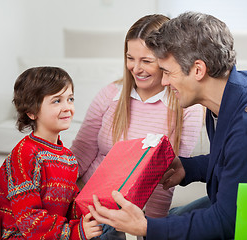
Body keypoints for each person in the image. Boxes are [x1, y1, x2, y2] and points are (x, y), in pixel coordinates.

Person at [88, 11, 247, 239]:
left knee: (162, 228)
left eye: (167, 72)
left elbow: (226, 222)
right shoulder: (229, 93)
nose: (163, 81)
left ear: (197, 70)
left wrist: (145, 226)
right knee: (174, 218)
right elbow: (237, 163)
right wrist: (189, 168)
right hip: (240, 207)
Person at [71, 14, 204, 221]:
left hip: (134, 217)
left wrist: (151, 228)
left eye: (146, 61)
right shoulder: (110, 94)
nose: (135, 68)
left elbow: (166, 178)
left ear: (167, 60)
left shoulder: (186, 108)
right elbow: (82, 151)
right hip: (88, 208)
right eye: (130, 58)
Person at [0, 67, 102, 240]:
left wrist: (94, 210)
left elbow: (70, 206)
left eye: (70, 99)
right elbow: (29, 220)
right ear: (31, 111)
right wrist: (76, 232)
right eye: (56, 101)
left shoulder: (68, 157)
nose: (67, 107)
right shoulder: (25, 155)